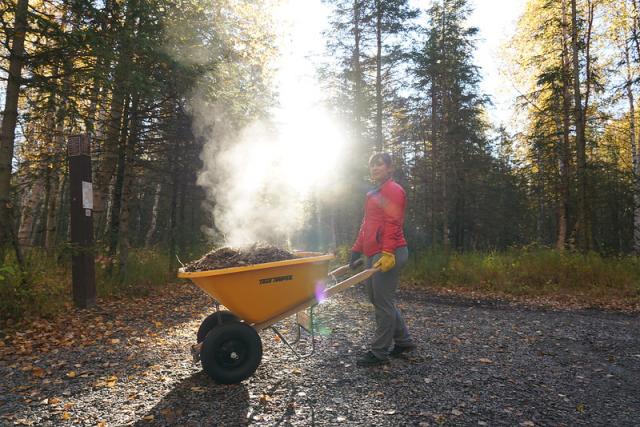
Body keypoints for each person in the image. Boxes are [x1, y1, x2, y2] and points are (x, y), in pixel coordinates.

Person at [350, 152, 415, 367]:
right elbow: (367, 223)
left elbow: (393, 223)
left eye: (380, 165)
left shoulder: (393, 190)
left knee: (383, 304)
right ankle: (404, 342)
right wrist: (356, 250)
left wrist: (388, 252)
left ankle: (378, 352)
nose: (375, 168)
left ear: (389, 168)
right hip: (374, 251)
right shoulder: (374, 192)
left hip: (391, 251)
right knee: (378, 300)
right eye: (372, 165)